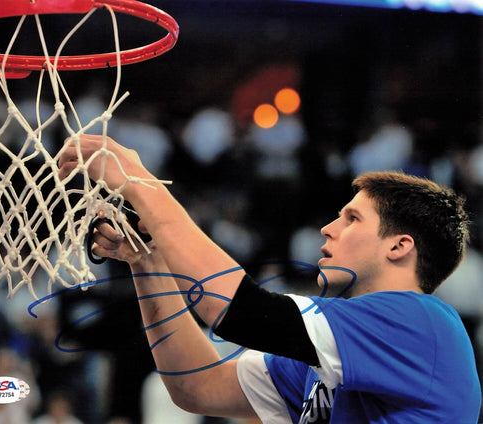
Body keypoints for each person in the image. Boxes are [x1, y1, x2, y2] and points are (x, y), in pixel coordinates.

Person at [58, 134, 482, 423]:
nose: (328, 229)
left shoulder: (423, 323)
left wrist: (141, 183)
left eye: (352, 218)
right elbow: (198, 387)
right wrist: (148, 264)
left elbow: (241, 311)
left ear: (399, 247)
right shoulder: (335, 350)